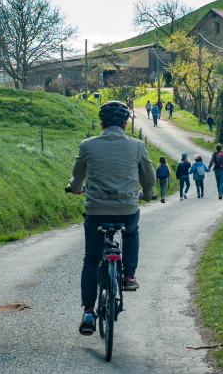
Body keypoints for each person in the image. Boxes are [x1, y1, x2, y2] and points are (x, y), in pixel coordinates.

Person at [67, 101, 156, 336]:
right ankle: (128, 275)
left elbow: (77, 178)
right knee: (131, 231)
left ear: (102, 124)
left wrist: (75, 189)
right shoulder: (137, 146)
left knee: (90, 260)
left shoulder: (87, 145)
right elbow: (148, 179)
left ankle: (88, 311)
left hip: (96, 211)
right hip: (126, 210)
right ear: (126, 124)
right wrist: (147, 195)